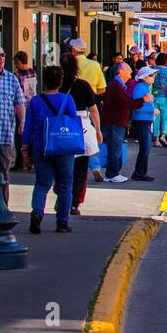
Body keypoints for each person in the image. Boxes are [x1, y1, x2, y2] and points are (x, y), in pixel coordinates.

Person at [21, 65, 77, 233]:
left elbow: (28, 126)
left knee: (42, 183)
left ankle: (37, 214)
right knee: (66, 185)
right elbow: (73, 121)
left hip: (41, 146)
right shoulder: (68, 100)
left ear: (43, 81)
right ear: (60, 82)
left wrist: (25, 148)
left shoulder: (35, 102)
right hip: (63, 146)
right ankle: (62, 221)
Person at [59, 52, 101, 216]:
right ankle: (75, 203)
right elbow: (93, 109)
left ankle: (63, 197)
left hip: (61, 128)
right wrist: (97, 130)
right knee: (81, 169)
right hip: (81, 127)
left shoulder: (56, 85)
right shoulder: (83, 85)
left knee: (63, 167)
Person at [0, 49, 27, 204]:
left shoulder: (12, 79)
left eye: (2, 55)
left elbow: (20, 103)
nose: (0, 58)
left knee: (4, 173)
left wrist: (22, 122)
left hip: (5, 134)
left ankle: (3, 206)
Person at [100, 61, 134, 183]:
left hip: (117, 121)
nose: (130, 71)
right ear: (120, 72)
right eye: (128, 69)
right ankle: (111, 174)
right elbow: (125, 103)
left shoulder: (120, 85)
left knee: (116, 148)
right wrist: (142, 100)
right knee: (115, 148)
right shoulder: (116, 86)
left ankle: (114, 173)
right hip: (115, 122)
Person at [129, 66, 158, 182]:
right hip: (141, 121)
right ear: (144, 77)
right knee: (145, 148)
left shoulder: (146, 87)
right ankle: (139, 173)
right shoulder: (140, 87)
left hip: (146, 121)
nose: (153, 77)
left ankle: (140, 172)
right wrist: (153, 110)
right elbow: (137, 106)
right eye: (151, 75)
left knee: (145, 148)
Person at [151, 53, 167, 147]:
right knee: (165, 117)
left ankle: (156, 139)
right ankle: (163, 135)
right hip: (164, 97)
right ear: (166, 61)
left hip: (153, 97)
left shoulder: (152, 69)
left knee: (155, 118)